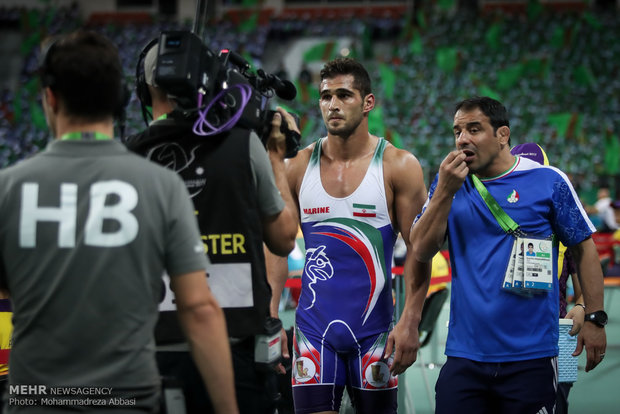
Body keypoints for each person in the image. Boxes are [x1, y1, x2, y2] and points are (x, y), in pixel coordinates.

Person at [0, 30, 237, 413]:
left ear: (50, 98)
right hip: (127, 397)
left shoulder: (7, 189)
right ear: (120, 100)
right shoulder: (162, 186)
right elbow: (198, 309)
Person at [125, 39, 298, 414]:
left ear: (145, 89)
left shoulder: (125, 157)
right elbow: (284, 238)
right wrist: (275, 156)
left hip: (146, 355)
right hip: (232, 354)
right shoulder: (243, 144)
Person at [410, 96, 607, 414]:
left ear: (503, 135)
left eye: (474, 129)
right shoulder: (449, 184)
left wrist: (595, 318)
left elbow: (584, 250)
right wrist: (444, 191)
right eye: (457, 130)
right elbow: (420, 249)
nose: (463, 139)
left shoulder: (549, 181)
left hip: (532, 357)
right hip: (465, 356)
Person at [266, 57, 431, 414]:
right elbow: (278, 248)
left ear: (368, 102)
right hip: (312, 331)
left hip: (374, 333)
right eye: (326, 96)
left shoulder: (398, 166)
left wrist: (411, 319)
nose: (333, 105)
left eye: (344, 95)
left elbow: (420, 250)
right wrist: (271, 315)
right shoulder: (297, 166)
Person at [511, 141, 586, 414]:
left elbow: (583, 291)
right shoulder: (496, 227)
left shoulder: (564, 228)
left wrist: (581, 307)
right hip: (503, 340)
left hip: (551, 340)